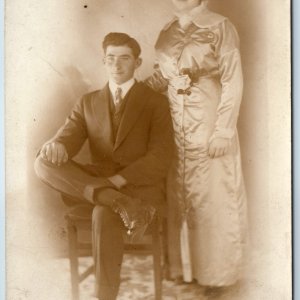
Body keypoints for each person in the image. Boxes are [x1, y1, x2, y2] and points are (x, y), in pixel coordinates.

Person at [34, 32, 174, 300]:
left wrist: (116, 183)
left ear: (138, 62)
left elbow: (160, 157)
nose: (117, 66)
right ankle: (116, 201)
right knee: (42, 161)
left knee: (103, 212)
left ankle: (104, 297)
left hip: (138, 189)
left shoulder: (156, 102)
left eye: (124, 59)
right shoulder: (88, 101)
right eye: (111, 59)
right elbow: (67, 137)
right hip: (102, 187)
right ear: (103, 62)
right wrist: (58, 145)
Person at [146, 0, 247, 295]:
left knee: (212, 193)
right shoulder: (167, 31)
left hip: (209, 117)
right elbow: (160, 76)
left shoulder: (220, 26)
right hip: (175, 121)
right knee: (182, 192)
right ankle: (187, 270)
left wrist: (223, 131)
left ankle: (220, 274)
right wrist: (130, 91)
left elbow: (232, 80)